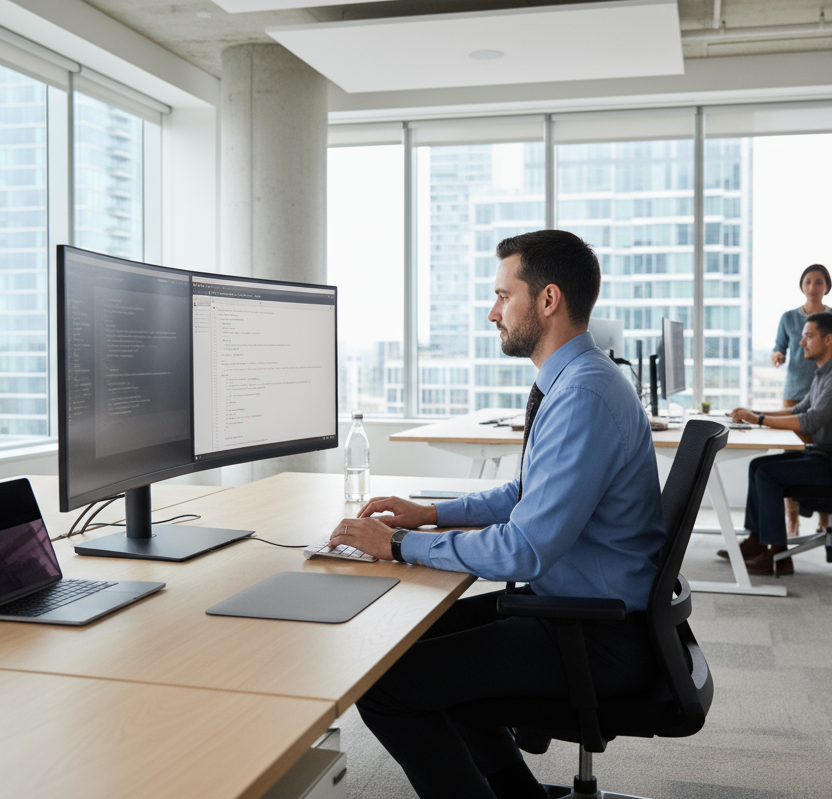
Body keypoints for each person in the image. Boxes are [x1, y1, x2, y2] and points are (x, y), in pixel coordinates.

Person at [327, 230, 666, 799]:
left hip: (597, 632)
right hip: (580, 612)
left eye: (502, 295)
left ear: (548, 300)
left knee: (385, 683)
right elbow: (523, 494)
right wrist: (429, 514)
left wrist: (400, 545)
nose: (492, 312)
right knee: (406, 645)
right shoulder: (578, 382)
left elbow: (523, 548)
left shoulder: (583, 395)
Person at [729, 312, 832, 576]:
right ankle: (756, 541)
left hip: (827, 464)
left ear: (828, 339)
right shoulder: (822, 374)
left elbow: (810, 421)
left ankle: (778, 555)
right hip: (818, 456)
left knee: (766, 473)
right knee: (757, 466)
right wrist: (754, 414)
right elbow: (799, 408)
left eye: (808, 336)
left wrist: (760, 419)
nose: (801, 343)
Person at [772, 264, 832, 535]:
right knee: (792, 456)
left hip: (826, 395)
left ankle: (824, 520)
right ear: (802, 286)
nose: (812, 287)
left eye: (818, 282)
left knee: (821, 454)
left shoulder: (830, 320)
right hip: (796, 395)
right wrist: (778, 356)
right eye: (808, 281)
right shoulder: (788, 317)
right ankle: (792, 518)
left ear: (826, 287)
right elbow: (779, 346)